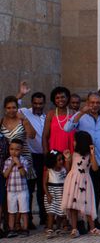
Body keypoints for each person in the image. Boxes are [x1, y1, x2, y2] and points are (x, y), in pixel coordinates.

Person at [64, 91, 100, 230]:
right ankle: (79, 223)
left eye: (97, 103)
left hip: (99, 160)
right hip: (83, 163)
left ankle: (94, 221)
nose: (95, 105)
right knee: (80, 192)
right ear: (87, 103)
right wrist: (80, 113)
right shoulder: (81, 117)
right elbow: (67, 128)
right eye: (92, 102)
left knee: (95, 193)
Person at [1, 96, 37, 228]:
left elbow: (32, 135)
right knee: (10, 192)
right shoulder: (2, 121)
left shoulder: (22, 120)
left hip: (24, 157)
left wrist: (25, 120)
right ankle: (11, 222)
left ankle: (25, 221)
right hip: (8, 159)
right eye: (9, 108)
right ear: (5, 109)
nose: (11, 110)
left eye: (14, 107)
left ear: (18, 108)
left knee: (25, 191)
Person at [16, 84, 47, 227]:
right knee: (29, 188)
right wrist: (21, 94)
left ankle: (44, 217)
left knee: (43, 188)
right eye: (35, 103)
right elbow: (12, 106)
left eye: (40, 103)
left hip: (44, 157)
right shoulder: (25, 112)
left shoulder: (47, 116)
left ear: (44, 104)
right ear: (32, 103)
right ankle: (28, 220)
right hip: (30, 157)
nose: (38, 106)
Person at [61, 131, 100, 237]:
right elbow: (68, 169)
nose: (73, 142)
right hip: (73, 180)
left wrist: (92, 154)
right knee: (73, 205)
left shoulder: (89, 155)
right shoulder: (73, 154)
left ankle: (92, 227)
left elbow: (95, 168)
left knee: (86, 203)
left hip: (84, 180)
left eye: (75, 141)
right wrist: (67, 159)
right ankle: (74, 228)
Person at [3, 139, 30, 237]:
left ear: (21, 150)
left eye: (17, 149)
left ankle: (25, 228)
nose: (14, 152)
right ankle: (11, 229)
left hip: (22, 189)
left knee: (24, 210)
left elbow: (23, 174)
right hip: (11, 190)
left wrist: (18, 164)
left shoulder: (24, 160)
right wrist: (11, 164)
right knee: (11, 210)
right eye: (11, 149)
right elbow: (5, 175)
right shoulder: (7, 161)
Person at [43, 149, 70, 238]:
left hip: (61, 194)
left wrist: (67, 159)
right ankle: (50, 229)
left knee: (60, 213)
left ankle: (58, 228)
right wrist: (48, 195)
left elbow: (69, 171)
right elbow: (44, 184)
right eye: (59, 160)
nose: (61, 161)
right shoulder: (49, 171)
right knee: (51, 212)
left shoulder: (63, 170)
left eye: (61, 159)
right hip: (52, 194)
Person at [43, 86, 75, 155]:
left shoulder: (74, 113)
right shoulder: (50, 114)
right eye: (57, 98)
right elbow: (45, 136)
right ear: (54, 100)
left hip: (71, 152)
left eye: (63, 97)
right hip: (54, 153)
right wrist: (46, 153)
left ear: (67, 98)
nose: (60, 100)